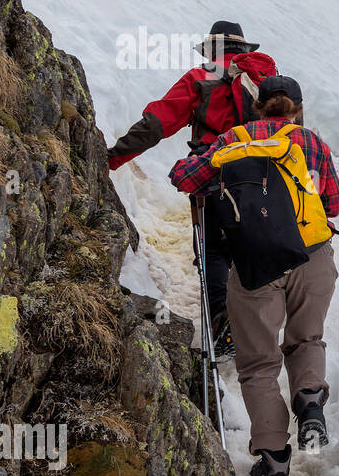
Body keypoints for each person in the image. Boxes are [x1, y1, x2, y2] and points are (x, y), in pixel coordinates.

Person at [168, 76, 339, 476]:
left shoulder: (236, 139)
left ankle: (273, 463)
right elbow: (336, 203)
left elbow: (183, 178)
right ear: (296, 109)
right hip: (312, 257)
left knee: (259, 363)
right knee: (307, 338)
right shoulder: (312, 143)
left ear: (257, 106)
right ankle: (309, 402)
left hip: (254, 263)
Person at [107, 20, 278, 355]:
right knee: (253, 248)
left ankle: (221, 323)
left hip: (215, 175)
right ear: (243, 49)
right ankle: (259, 325)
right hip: (266, 178)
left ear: (212, 50)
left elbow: (159, 122)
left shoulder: (201, 80)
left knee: (214, 249)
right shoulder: (268, 81)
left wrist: (114, 157)